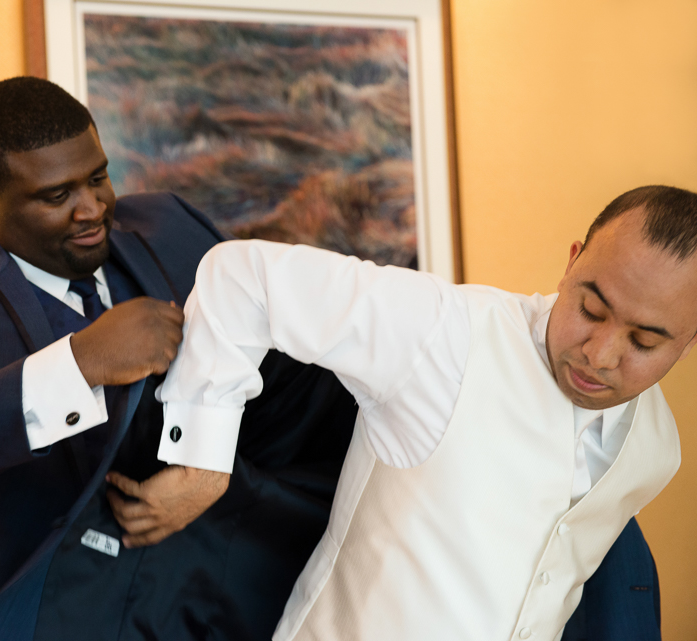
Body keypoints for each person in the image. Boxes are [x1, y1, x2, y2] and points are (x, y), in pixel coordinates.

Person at [0, 76, 358, 640]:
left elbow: (271, 374)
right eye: (57, 195)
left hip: (183, 613)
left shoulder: (171, 227)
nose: (91, 209)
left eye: (98, 178)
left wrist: (207, 466)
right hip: (14, 617)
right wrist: (81, 362)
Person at [155, 185, 697, 640]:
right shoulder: (446, 335)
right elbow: (242, 277)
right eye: (590, 309)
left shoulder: (657, 448)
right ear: (572, 260)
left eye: (644, 342)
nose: (598, 354)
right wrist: (202, 458)